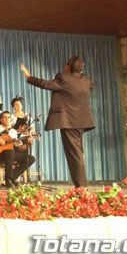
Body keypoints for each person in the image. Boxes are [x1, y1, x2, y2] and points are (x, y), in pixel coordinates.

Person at [20, 57, 94, 187]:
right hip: (82, 121)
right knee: (77, 152)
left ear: (69, 66)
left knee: (74, 154)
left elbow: (45, 84)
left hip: (69, 121)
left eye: (66, 65)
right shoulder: (87, 80)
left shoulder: (64, 78)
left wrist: (29, 76)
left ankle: (81, 187)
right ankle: (81, 185)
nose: (64, 67)